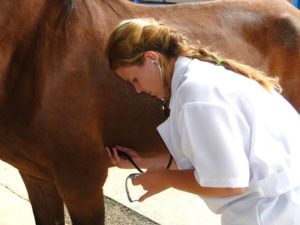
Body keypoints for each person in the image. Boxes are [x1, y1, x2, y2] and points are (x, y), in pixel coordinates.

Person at [104, 18, 300, 225]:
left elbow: (229, 183)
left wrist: (165, 179)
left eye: (134, 79)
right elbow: (209, 159)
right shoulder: (197, 77)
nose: (138, 90)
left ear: (152, 58)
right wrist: (145, 162)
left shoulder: (195, 95)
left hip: (274, 212)